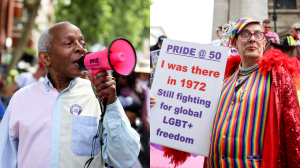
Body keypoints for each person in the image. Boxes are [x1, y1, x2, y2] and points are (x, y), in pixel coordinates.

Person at [150, 17, 300, 168]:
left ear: (264, 42)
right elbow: (190, 108)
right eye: (246, 34)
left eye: (258, 35)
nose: (253, 39)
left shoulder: (278, 77)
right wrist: (160, 102)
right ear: (234, 42)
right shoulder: (221, 78)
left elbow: (293, 133)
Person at [0, 22, 140, 168]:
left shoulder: (99, 96)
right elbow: (4, 157)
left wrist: (111, 103)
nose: (81, 48)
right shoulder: (21, 99)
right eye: (68, 43)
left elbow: (124, 159)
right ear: (46, 58)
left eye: (82, 43)